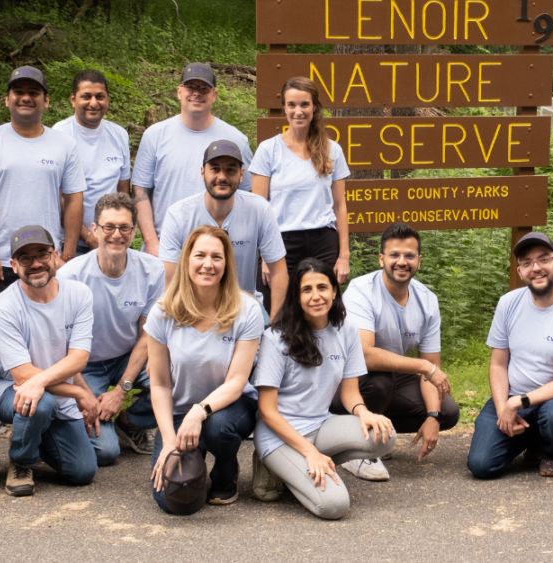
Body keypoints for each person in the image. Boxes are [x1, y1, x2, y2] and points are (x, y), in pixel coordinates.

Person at [0, 66, 86, 442]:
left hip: (46, 261)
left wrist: (65, 254)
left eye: (34, 92)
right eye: (18, 91)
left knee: (48, 334)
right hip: (0, 260)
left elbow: (74, 201)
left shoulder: (63, 144)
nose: (25, 97)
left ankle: (41, 405)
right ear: (7, 98)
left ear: (46, 101)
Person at [252, 259, 396, 520]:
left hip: (320, 425)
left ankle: (298, 469)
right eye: (306, 290)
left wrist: (364, 413)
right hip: (278, 435)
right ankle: (273, 467)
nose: (316, 296)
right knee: (334, 506)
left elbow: (350, 393)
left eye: (322, 287)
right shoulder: (276, 337)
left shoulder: (347, 330)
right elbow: (267, 411)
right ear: (296, 296)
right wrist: (310, 453)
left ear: (333, 291)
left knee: (384, 435)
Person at [147, 225, 264, 514]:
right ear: (187, 260)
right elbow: (160, 384)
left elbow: (237, 381)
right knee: (175, 503)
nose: (208, 264)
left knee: (217, 427)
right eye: (200, 255)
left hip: (230, 408)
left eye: (217, 257)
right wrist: (168, 441)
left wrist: (198, 412)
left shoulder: (247, 310)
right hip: (178, 414)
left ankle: (225, 475)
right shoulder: (162, 312)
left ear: (227, 264)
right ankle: (191, 454)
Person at [331, 223, 459, 481]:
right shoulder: (361, 291)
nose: (402, 262)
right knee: (380, 380)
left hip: (389, 377)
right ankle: (355, 449)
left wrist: (433, 416)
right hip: (339, 379)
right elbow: (365, 355)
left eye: (409, 256)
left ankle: (378, 436)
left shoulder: (427, 300)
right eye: (394, 255)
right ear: (381, 259)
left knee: (447, 411)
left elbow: (432, 366)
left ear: (419, 261)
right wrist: (424, 368)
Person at [0, 226, 100, 497]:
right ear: (13, 264)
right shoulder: (5, 306)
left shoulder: (79, 294)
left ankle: (34, 432)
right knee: (40, 402)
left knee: (83, 472)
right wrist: (76, 392)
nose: (35, 264)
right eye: (25, 258)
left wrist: (78, 390)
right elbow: (23, 375)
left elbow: (78, 358)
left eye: (42, 254)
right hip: (6, 388)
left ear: (55, 255)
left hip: (51, 387)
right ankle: (21, 462)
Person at [466, 232, 553, 480]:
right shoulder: (508, 303)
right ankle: (530, 437)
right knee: (481, 465)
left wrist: (518, 403)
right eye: (527, 262)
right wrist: (503, 406)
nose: (536, 268)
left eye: (543, 259)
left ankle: (550, 449)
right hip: (513, 396)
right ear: (520, 271)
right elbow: (498, 364)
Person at [58, 193, 165, 463]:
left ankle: (129, 421)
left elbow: (148, 335)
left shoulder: (152, 270)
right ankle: (68, 423)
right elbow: (60, 343)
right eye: (109, 227)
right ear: (94, 229)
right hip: (85, 365)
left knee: (176, 380)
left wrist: (121, 391)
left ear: (134, 231)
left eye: (124, 227)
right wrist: (82, 393)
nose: (117, 234)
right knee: (106, 452)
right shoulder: (70, 276)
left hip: (128, 357)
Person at [250, 76, 351, 309]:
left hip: (323, 242)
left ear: (314, 107)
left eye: (304, 104)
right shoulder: (269, 150)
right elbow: (258, 208)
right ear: (284, 108)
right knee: (280, 313)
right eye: (292, 105)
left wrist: (343, 255)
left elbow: (340, 206)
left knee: (322, 311)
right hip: (280, 244)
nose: (298, 111)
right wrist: (264, 256)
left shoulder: (332, 149)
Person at [133, 63, 253, 257]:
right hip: (166, 246)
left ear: (214, 94)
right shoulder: (155, 135)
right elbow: (140, 191)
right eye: (191, 87)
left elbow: (248, 194)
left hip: (217, 252)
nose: (196, 93)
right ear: (179, 91)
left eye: (203, 88)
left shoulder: (236, 139)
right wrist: (151, 241)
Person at [159, 140, 288, 314]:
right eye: (215, 169)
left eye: (230, 170)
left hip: (245, 309)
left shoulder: (259, 209)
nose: (222, 177)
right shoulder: (178, 215)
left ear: (241, 175)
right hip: (194, 310)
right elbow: (170, 279)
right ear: (203, 172)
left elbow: (279, 271)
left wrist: (276, 326)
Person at [52, 71, 131, 257]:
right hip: (70, 243)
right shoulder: (59, 135)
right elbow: (56, 197)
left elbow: (123, 191)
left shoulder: (119, 135)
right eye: (86, 96)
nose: (94, 103)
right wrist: (87, 236)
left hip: (112, 239)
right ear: (73, 99)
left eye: (100, 97)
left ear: (108, 100)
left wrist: (117, 231)